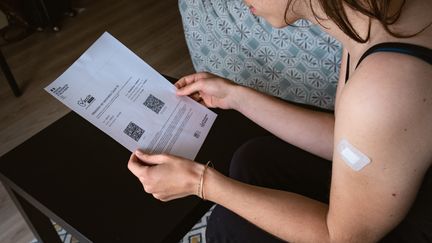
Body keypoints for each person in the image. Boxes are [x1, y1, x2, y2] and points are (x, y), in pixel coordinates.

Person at [127, 0, 432, 242]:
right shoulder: (372, 20)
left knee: (229, 226)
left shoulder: (383, 88)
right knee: (254, 157)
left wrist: (200, 182)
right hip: (400, 180)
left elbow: (342, 237)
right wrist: (235, 96)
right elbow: (351, 139)